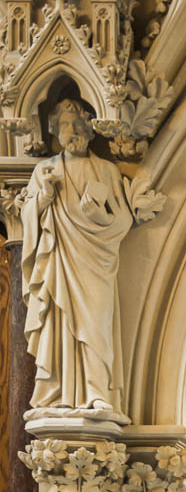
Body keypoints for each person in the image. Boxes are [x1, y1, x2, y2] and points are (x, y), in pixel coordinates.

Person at [22, 98, 134, 413]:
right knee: (57, 322)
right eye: (65, 125)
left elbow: (123, 221)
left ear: (88, 127)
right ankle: (55, 395)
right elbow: (27, 218)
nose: (71, 131)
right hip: (58, 260)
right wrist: (44, 195)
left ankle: (97, 393)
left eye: (77, 124)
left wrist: (100, 218)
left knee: (96, 325)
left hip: (97, 262)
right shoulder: (45, 170)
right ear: (55, 131)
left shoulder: (106, 170)